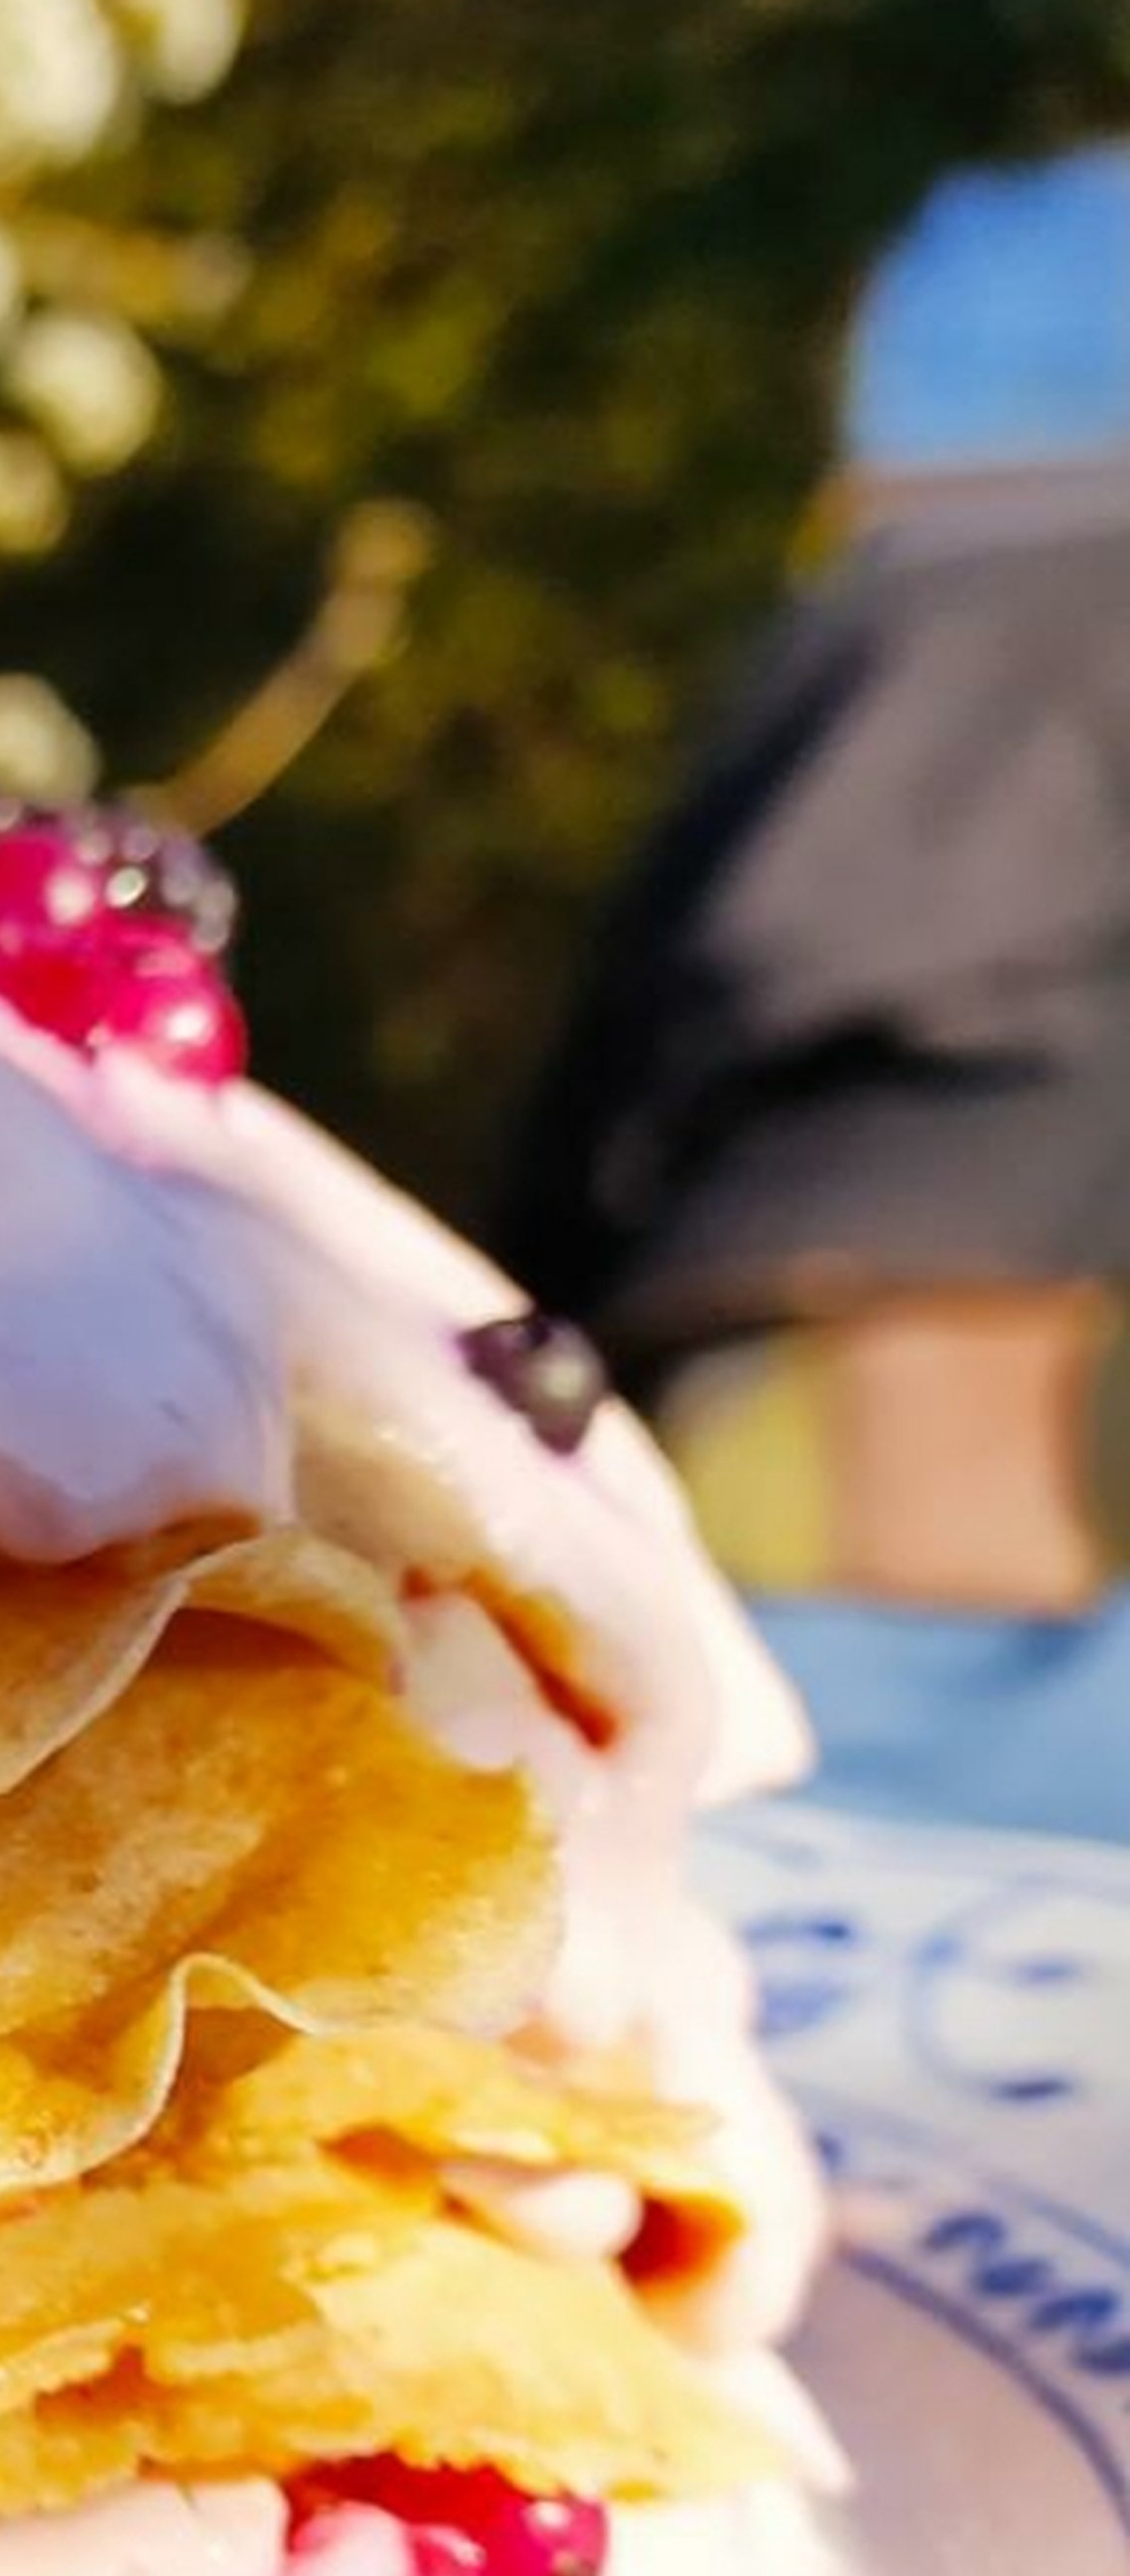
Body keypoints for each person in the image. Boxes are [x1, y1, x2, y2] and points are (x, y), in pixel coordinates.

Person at [494, 144, 1130, 1618]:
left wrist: (524, 1322)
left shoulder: (852, 653)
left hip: (756, 1325)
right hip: (1016, 1359)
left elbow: (642, 1021)